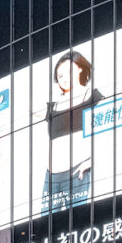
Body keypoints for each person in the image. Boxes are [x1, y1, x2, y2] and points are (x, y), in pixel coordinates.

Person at [38, 50, 104, 213]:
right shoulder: (53, 106)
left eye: (68, 72)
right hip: (51, 177)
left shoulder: (92, 96)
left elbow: (110, 127)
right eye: (59, 76)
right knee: (45, 228)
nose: (64, 78)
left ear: (80, 68)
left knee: (77, 221)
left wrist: (93, 160)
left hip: (77, 173)